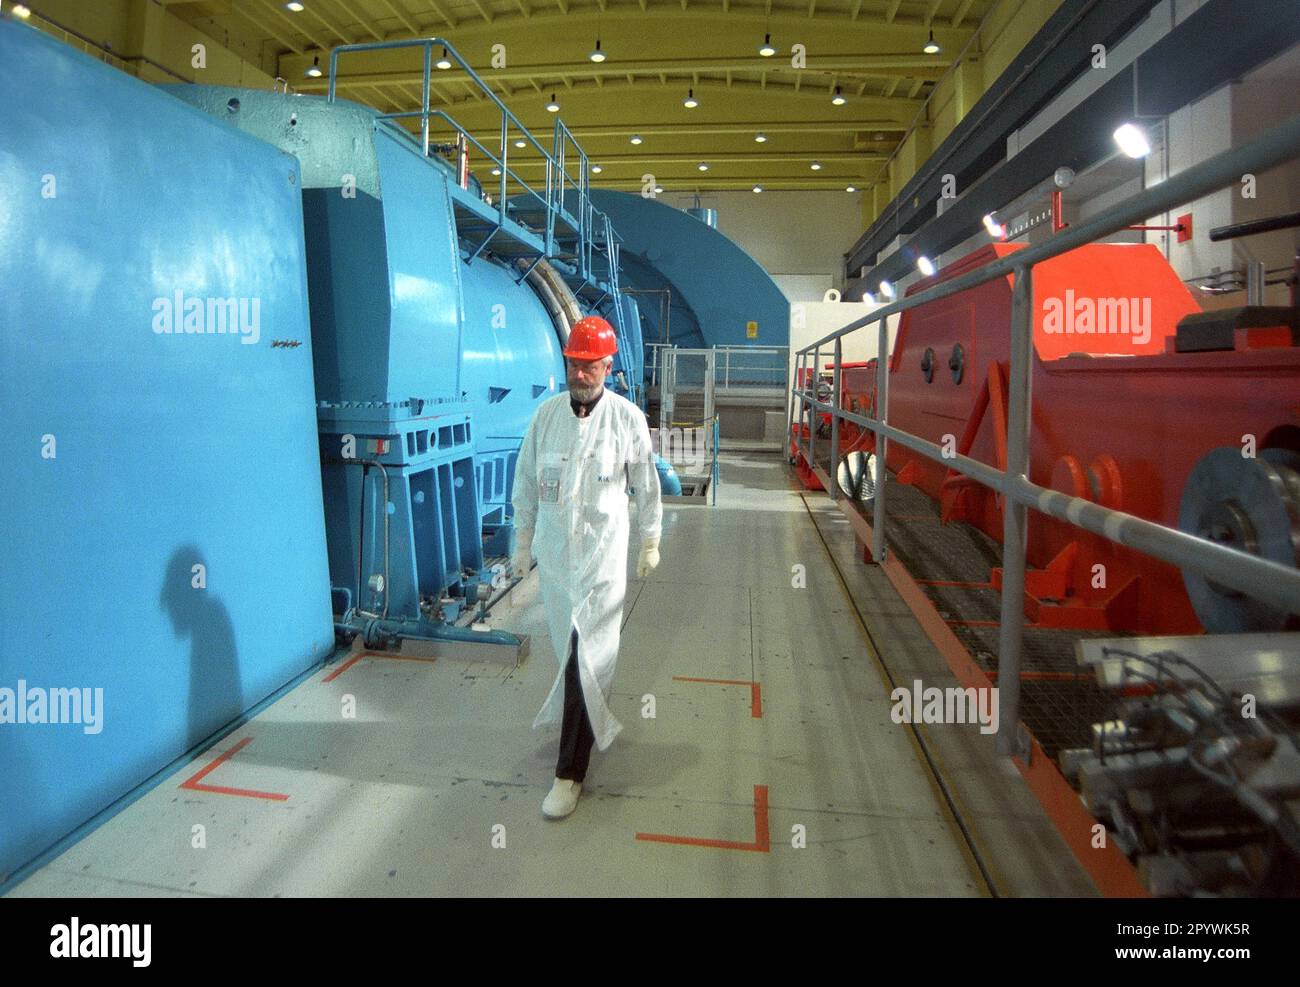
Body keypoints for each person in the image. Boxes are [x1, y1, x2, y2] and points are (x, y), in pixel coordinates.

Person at [510, 315, 663, 820]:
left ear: (607, 366)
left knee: (583, 658)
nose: (581, 373)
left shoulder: (625, 419)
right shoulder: (545, 419)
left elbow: (647, 483)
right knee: (574, 657)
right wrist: (521, 542)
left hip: (601, 567)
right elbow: (528, 484)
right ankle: (592, 724)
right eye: (574, 364)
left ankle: (568, 773)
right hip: (556, 567)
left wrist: (651, 539)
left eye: (590, 365)